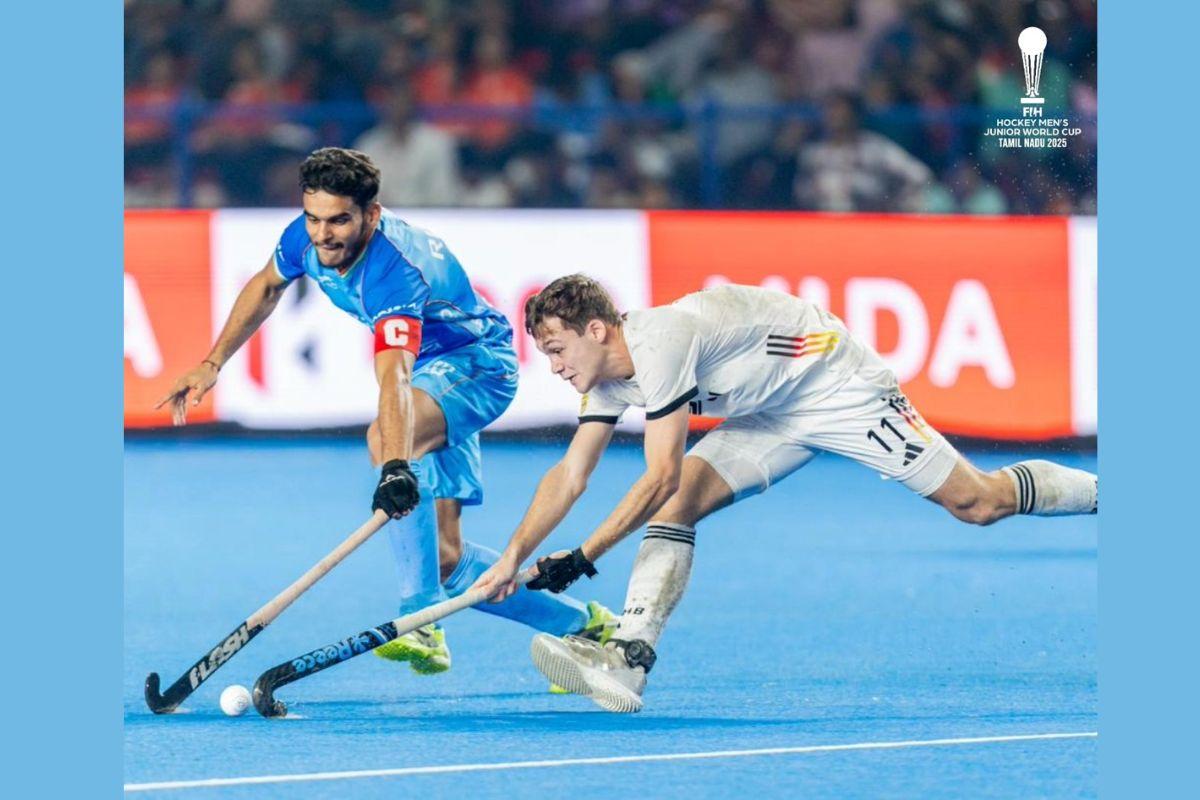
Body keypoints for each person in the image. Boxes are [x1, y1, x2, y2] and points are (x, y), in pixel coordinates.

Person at [472, 274, 1097, 712]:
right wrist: (511, 557)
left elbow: (660, 473)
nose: (554, 365)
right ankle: (629, 660)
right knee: (679, 507)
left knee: (978, 504)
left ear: (597, 329)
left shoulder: (661, 343)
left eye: (558, 349)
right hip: (770, 411)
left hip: (834, 383)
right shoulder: (604, 380)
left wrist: (583, 557)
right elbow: (570, 474)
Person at [157, 150, 613, 679]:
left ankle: (419, 620)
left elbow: (394, 376)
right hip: (430, 377)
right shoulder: (305, 235)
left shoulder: (395, 272)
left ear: (371, 215)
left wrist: (396, 465)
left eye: (338, 221)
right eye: (313, 218)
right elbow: (265, 285)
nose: (322, 234)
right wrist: (212, 363)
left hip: (476, 366)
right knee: (445, 557)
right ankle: (588, 629)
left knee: (386, 439)